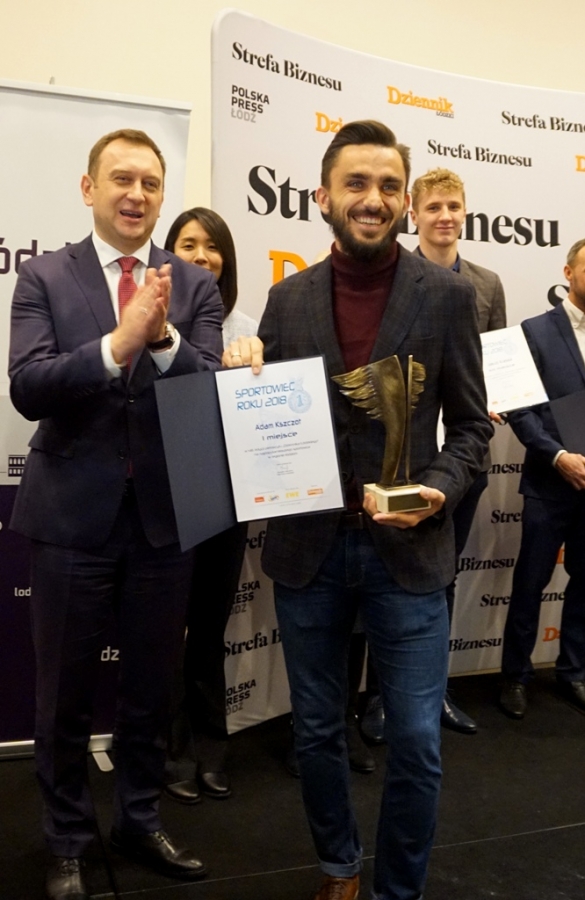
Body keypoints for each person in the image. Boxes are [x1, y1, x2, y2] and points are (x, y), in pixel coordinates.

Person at [241, 120, 492, 900]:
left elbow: (473, 428)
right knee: (316, 731)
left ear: (404, 202)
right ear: (322, 196)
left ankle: (397, 892)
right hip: (308, 553)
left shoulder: (448, 296)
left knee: (415, 741)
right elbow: (262, 424)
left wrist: (436, 489)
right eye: (356, 182)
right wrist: (242, 376)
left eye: (388, 185)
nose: (372, 198)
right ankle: (339, 867)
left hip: (408, 555)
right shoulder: (286, 300)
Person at [8, 129, 257, 900]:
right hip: (71, 520)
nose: (136, 194)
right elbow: (28, 386)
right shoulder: (44, 276)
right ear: (89, 188)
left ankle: (139, 820)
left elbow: (206, 388)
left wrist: (165, 335)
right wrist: (118, 344)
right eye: (121, 178)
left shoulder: (194, 284)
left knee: (151, 689)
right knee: (63, 696)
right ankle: (66, 839)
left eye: (150, 182)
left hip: (164, 521)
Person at [162, 208, 257, 803]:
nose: (201, 255)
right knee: (164, 630)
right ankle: (170, 750)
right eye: (188, 244)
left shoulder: (247, 328)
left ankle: (211, 747)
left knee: (209, 630)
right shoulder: (149, 320)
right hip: (166, 496)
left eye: (212, 246)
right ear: (167, 254)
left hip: (228, 495)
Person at [409, 167, 507, 734]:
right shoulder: (395, 277)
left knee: (444, 576)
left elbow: (494, 361)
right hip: (410, 456)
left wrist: (498, 399)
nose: (445, 217)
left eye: (453, 207)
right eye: (434, 207)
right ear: (414, 215)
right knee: (399, 582)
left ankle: (435, 693)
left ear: (465, 213)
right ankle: (384, 698)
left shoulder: (487, 284)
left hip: (465, 459)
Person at [499, 238, 585, 719]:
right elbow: (519, 408)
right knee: (530, 583)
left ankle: (574, 673)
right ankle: (515, 676)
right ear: (567, 272)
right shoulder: (534, 331)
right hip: (549, 483)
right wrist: (557, 457)